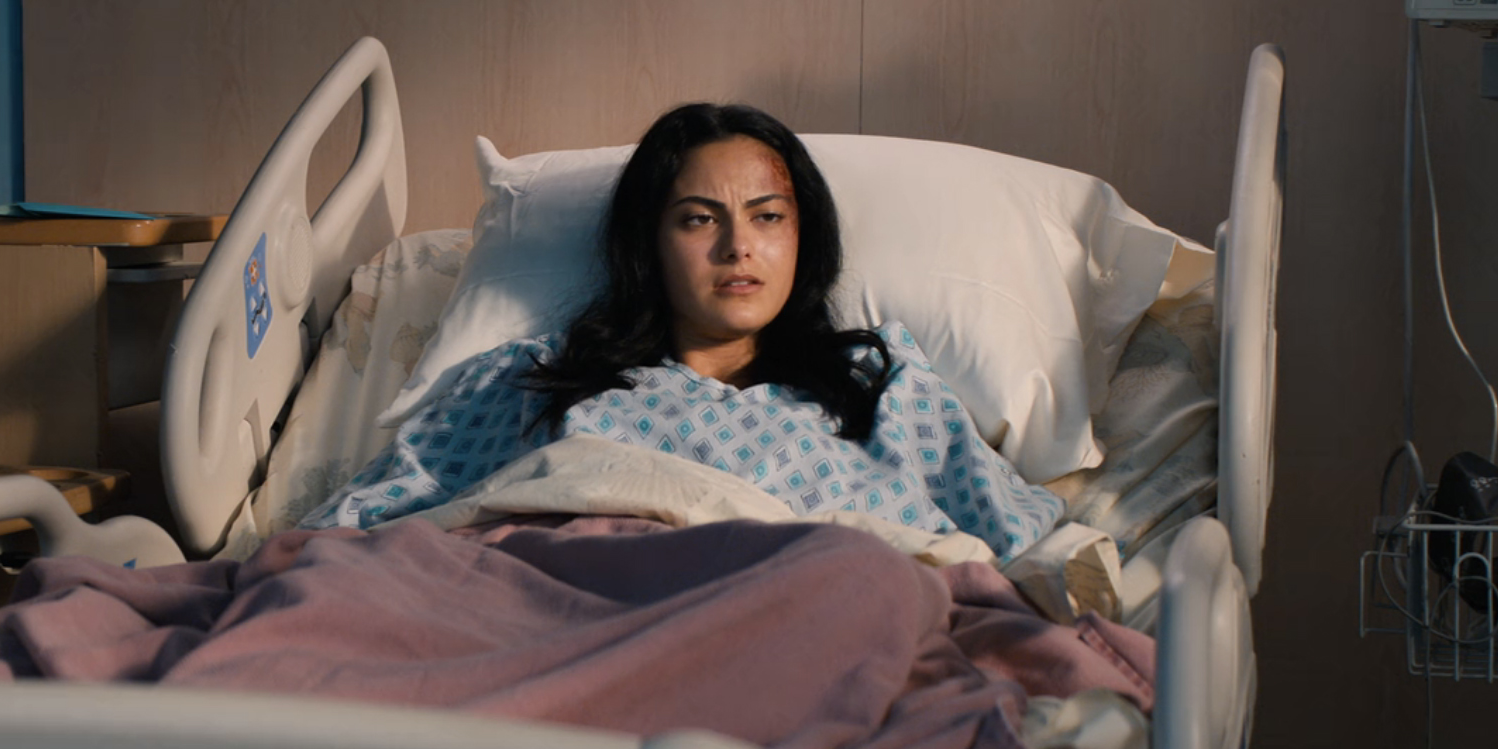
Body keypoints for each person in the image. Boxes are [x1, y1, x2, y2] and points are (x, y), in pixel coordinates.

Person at [300, 103, 1063, 558]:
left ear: (804, 237)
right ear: (649, 243)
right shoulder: (533, 379)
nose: (738, 247)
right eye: (699, 219)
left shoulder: (878, 385)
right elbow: (368, 528)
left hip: (812, 617)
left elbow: (1014, 547)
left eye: (767, 217)